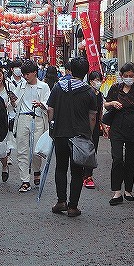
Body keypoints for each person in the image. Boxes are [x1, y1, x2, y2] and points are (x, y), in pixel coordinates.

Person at [47, 57, 98, 217]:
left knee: (60, 167)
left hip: (61, 133)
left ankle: (61, 201)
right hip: (80, 135)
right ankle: (72, 206)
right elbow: (92, 117)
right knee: (77, 171)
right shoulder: (89, 91)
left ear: (70, 70)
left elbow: (50, 110)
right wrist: (89, 133)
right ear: (85, 73)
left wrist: (52, 125)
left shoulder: (58, 87)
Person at [103, 62, 134, 205]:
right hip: (117, 125)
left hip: (133, 126)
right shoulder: (115, 88)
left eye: (131, 76)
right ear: (121, 76)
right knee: (117, 158)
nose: (129, 78)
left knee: (130, 159)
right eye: (126, 75)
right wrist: (112, 104)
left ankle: (128, 189)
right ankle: (116, 191)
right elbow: (105, 104)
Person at [12, 60, 50, 192]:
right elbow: (13, 104)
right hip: (23, 118)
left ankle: (37, 170)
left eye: (27, 74)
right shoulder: (21, 85)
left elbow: (48, 104)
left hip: (38, 119)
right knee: (22, 150)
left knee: (36, 150)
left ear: (35, 73)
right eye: (24, 74)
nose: (25, 77)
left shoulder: (44, 86)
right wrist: (12, 100)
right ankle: (25, 180)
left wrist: (41, 104)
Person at [82, 69, 104, 190]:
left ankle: (88, 175)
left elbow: (99, 111)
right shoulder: (86, 93)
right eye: (96, 80)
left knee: (92, 150)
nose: (99, 82)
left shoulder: (99, 94)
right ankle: (84, 174)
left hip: (95, 126)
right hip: (85, 125)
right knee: (84, 149)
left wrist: (102, 125)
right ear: (91, 81)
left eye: (100, 80)